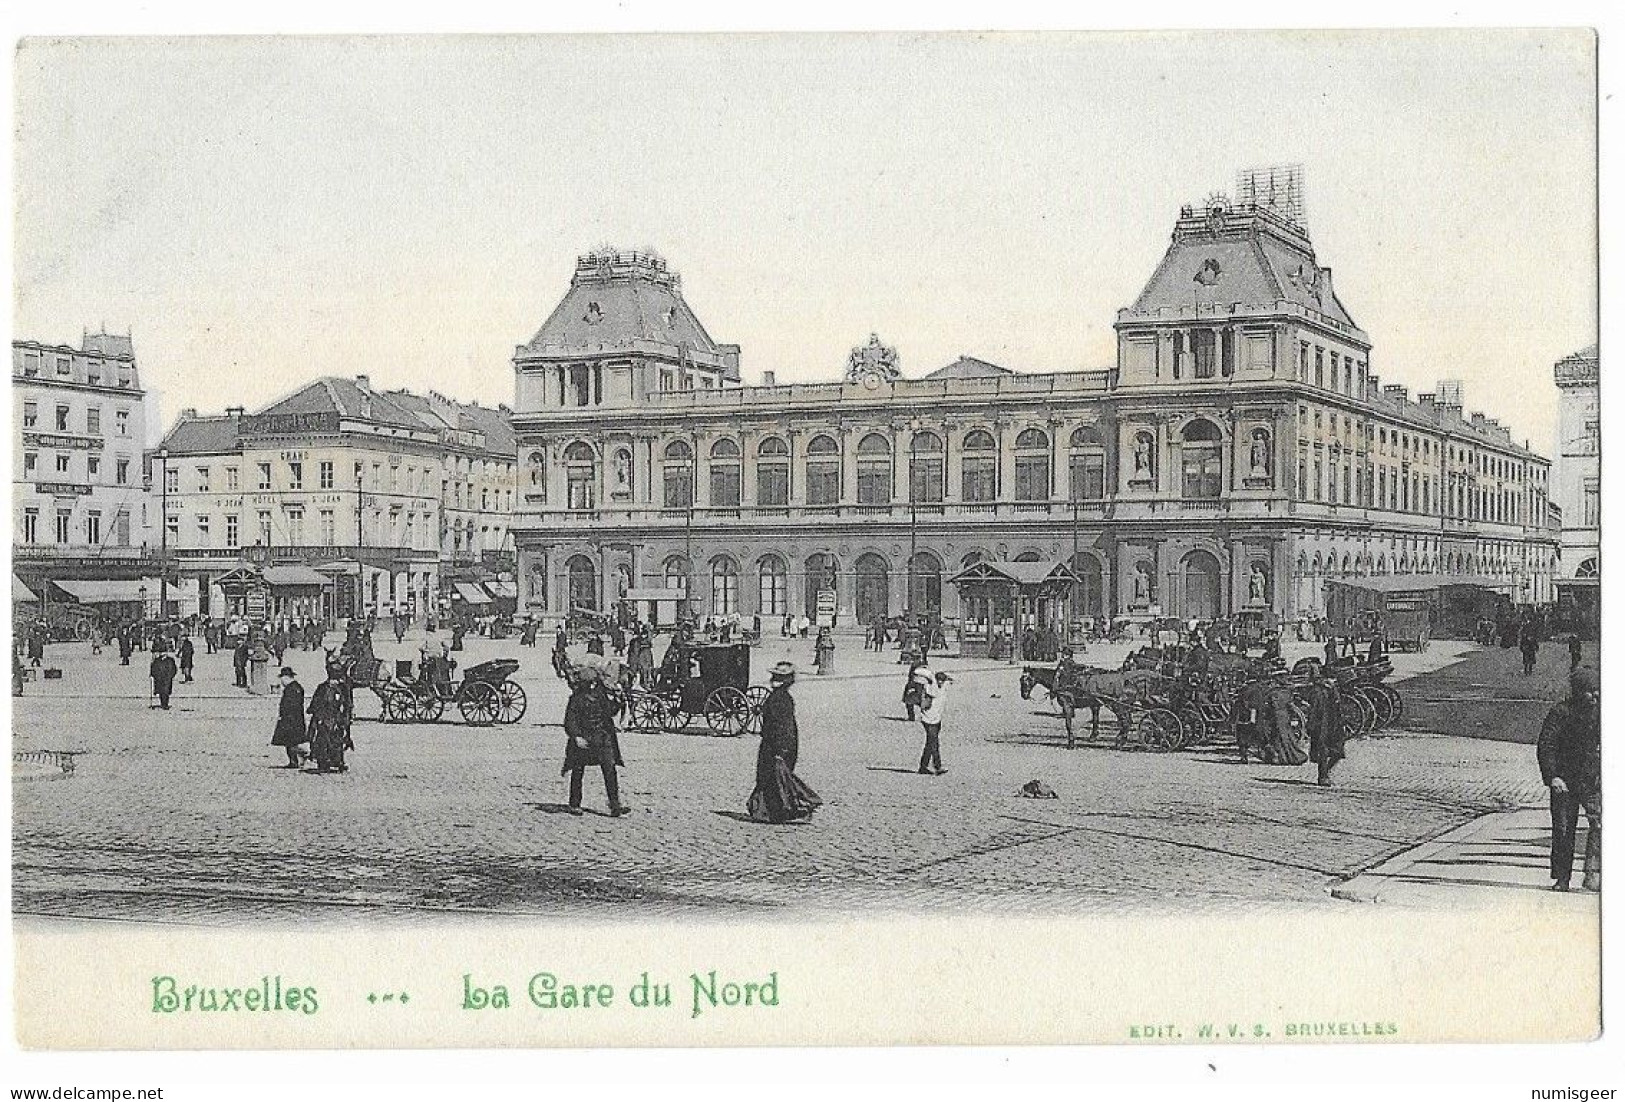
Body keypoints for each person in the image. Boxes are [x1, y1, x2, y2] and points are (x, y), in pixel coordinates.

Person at [1537, 668, 1601, 892]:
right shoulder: (1561, 713)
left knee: (1600, 824)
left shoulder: (1601, 713)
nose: (1595, 696)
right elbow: (1547, 745)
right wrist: (1552, 776)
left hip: (1592, 780)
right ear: (1578, 692)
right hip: (1564, 781)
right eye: (1590, 692)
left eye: (1597, 691)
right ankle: (1562, 877)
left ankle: (1592, 872)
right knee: (1564, 830)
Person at [748, 662, 822, 823]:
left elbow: (782, 726)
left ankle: (789, 808)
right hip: (779, 742)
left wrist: (780, 750)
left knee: (775, 777)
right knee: (773, 776)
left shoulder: (780, 699)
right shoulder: (780, 697)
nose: (773, 679)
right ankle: (772, 810)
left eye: (778, 677)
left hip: (777, 744)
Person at [561, 654, 628, 817]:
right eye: (590, 683)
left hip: (601, 737)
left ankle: (615, 804)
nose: (593, 686)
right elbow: (570, 720)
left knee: (609, 769)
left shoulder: (601, 695)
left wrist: (618, 701)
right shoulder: (577, 698)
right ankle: (574, 803)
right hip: (584, 738)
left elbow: (610, 712)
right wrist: (576, 737)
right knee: (578, 770)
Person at [307, 663, 352, 773]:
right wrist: (346, 718)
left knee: (325, 739)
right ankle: (335, 761)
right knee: (335, 739)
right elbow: (348, 705)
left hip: (327, 717)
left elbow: (315, 703)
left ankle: (326, 761)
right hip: (334, 717)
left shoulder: (324, 687)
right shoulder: (342, 688)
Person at [1306, 664, 1344, 787]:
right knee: (1334, 750)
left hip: (1323, 722)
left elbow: (1314, 710)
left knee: (1324, 750)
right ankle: (1324, 775)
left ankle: (1323, 775)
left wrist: (1310, 725)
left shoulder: (1316, 690)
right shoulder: (1331, 688)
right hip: (1333, 722)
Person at [271, 666, 308, 768]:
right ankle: (294, 761)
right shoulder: (296, 687)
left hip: (290, 719)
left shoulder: (292, 689)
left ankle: (301, 755)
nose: (281, 681)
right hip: (294, 719)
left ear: (286, 677)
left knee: (290, 742)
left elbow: (291, 706)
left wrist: (284, 717)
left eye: (282, 678)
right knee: (290, 742)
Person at [916, 669, 950, 776]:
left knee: (931, 743)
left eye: (942, 681)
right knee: (933, 743)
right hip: (928, 719)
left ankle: (923, 766)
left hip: (936, 719)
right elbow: (919, 671)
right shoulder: (930, 689)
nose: (940, 682)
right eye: (939, 680)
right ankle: (937, 766)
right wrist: (931, 676)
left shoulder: (943, 688)